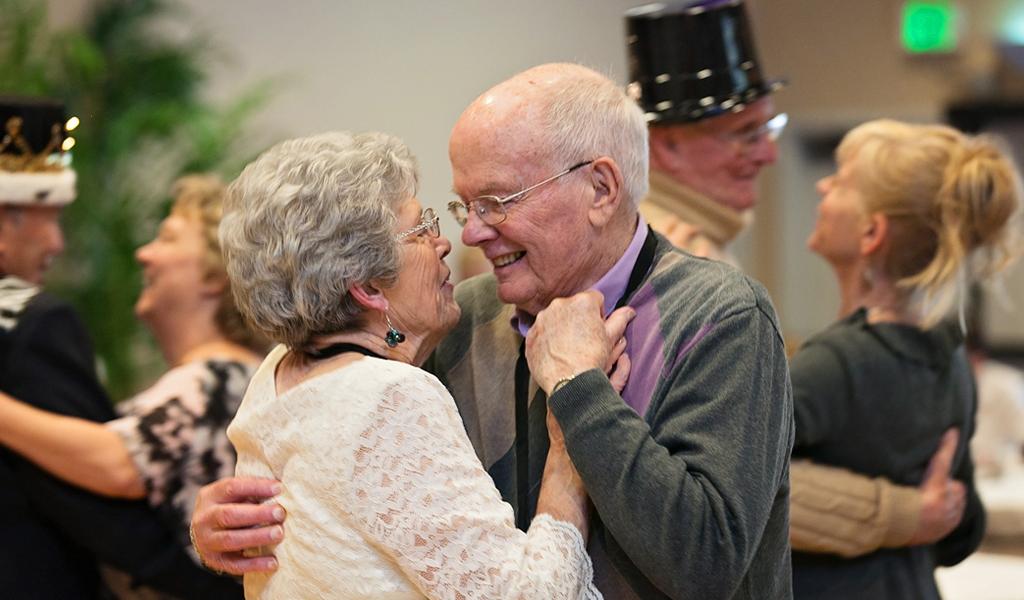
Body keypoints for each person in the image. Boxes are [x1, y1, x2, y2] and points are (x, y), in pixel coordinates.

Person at [193, 63, 794, 600]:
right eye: (461, 207)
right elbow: (338, 420)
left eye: (496, 201)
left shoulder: (722, 316)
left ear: (601, 189)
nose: (471, 234)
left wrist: (581, 393)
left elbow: (708, 568)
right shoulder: (462, 317)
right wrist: (241, 517)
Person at [626, 0, 968, 556]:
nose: (767, 153)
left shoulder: (692, 247)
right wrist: (904, 511)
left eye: (770, 127)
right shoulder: (667, 262)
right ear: (666, 143)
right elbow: (720, 478)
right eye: (744, 133)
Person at [219, 130, 609, 598]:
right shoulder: (388, 398)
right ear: (367, 288)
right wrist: (569, 447)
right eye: (420, 230)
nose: (445, 243)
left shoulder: (278, 371)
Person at [0, 97, 241, 597]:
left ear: (217, 273)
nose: (143, 252)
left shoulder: (219, 378)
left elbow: (112, 465)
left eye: (168, 238)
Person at [790, 119, 1021, 598]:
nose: (822, 185)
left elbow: (735, 491)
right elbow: (962, 532)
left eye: (842, 182)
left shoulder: (835, 363)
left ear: (872, 232)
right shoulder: (953, 362)